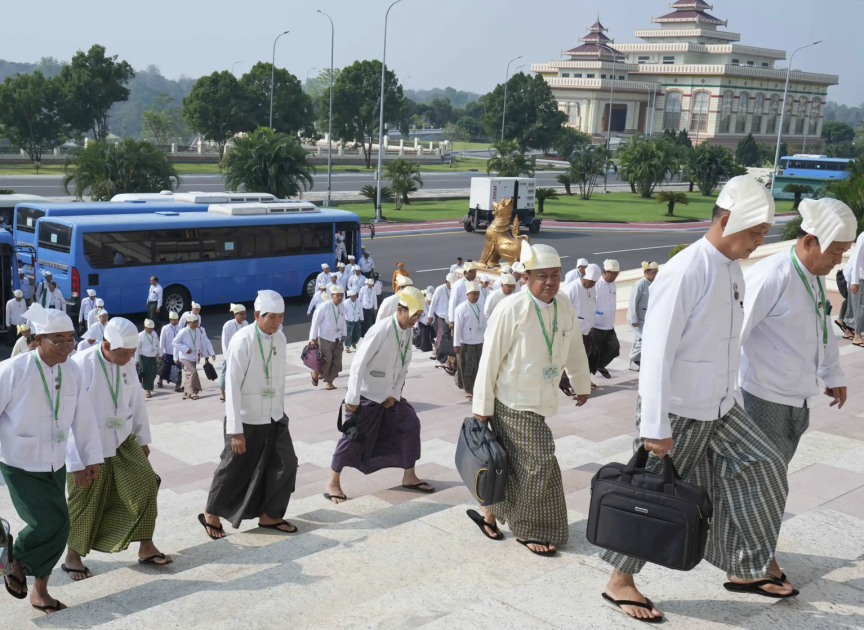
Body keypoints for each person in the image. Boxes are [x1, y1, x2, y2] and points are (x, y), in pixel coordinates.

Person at [599, 175, 789, 623]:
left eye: (764, 234)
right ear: (725, 221)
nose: (759, 242)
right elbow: (657, 351)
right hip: (678, 409)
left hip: (722, 407)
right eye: (755, 233)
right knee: (650, 497)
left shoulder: (732, 268)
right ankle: (619, 581)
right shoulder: (686, 270)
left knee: (765, 465)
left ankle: (744, 564)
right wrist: (655, 428)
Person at [739, 198, 854, 586]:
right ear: (810, 241)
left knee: (768, 481)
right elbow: (733, 335)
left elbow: (822, 326)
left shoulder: (810, 277)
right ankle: (751, 567)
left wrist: (832, 371)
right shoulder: (772, 275)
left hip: (795, 398)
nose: (839, 260)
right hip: (761, 397)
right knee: (765, 484)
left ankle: (752, 551)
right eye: (836, 251)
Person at [471, 242, 590, 557]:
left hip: (544, 397)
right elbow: (490, 359)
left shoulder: (563, 305)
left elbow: (575, 347)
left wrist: (581, 383)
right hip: (511, 400)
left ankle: (489, 513)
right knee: (539, 463)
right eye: (542, 276)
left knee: (510, 464)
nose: (550, 281)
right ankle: (529, 528)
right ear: (525, 277)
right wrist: (482, 408)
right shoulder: (511, 308)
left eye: (555, 275)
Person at [0, 303, 102, 614]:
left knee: (61, 526)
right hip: (20, 462)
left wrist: (89, 459)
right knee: (47, 522)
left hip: (56, 461)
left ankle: (38, 590)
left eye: (71, 339)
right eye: (59, 340)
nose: (68, 347)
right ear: (38, 339)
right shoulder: (12, 370)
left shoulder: (71, 370)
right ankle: (12, 557)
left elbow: (83, 418)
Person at [63, 318, 168, 581]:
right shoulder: (79, 365)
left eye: (133, 353)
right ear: (107, 344)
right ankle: (72, 557)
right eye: (125, 353)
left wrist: (143, 440)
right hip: (89, 446)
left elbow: (136, 402)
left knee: (145, 485)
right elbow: (68, 417)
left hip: (123, 439)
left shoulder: (127, 362)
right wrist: (77, 462)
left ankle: (146, 546)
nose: (130, 358)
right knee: (85, 500)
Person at [200, 290, 298, 539]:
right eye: (271, 317)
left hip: (275, 416)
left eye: (281, 317)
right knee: (234, 467)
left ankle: (270, 516)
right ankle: (211, 512)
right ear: (257, 315)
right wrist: (235, 430)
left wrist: (281, 412)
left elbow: (279, 381)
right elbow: (231, 386)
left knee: (286, 464)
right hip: (246, 419)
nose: (277, 322)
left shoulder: (281, 339)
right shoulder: (242, 340)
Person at [324, 286, 434, 504]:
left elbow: (403, 366)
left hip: (390, 397)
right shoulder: (381, 329)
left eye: (419, 316)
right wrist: (352, 399)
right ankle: (333, 482)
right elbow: (358, 364)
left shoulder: (407, 330)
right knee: (353, 438)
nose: (416, 320)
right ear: (401, 310)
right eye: (414, 315)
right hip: (366, 395)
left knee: (411, 424)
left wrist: (394, 394)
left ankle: (409, 476)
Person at [566, 264, 601, 390]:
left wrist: (591, 326)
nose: (592, 284)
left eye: (595, 282)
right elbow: (564, 311)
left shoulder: (592, 288)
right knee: (573, 360)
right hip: (574, 332)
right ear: (584, 277)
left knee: (584, 358)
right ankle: (571, 384)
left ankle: (584, 381)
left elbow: (591, 308)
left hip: (587, 330)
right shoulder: (572, 288)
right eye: (591, 281)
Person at [309, 285, 347, 390]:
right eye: (337, 295)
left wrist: (344, 333)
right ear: (332, 295)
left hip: (338, 338)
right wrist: (313, 339)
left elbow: (343, 320)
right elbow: (315, 323)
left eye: (341, 295)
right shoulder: (324, 306)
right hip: (325, 338)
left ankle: (329, 382)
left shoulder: (342, 306)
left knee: (336, 361)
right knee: (327, 360)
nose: (339, 298)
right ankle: (315, 371)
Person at [453, 281, 486, 400]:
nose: (476, 296)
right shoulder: (461, 308)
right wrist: (456, 344)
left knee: (477, 366)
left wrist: (485, 340)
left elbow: (484, 324)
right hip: (465, 343)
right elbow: (457, 328)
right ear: (467, 294)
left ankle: (474, 387)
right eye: (474, 294)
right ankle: (468, 389)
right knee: (467, 367)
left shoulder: (481, 307)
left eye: (478, 294)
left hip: (478, 342)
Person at [172, 313, 216, 400]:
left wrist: (206, 354)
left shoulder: (199, 331)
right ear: (189, 323)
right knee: (193, 372)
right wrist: (184, 350)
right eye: (195, 322)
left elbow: (202, 343)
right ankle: (192, 392)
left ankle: (185, 392)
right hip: (184, 357)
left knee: (189, 375)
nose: (197, 323)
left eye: (197, 321)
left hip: (194, 356)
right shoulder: (183, 331)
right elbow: (174, 342)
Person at [627, 262, 658, 371]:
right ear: (646, 272)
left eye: (656, 272)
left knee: (638, 340)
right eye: (653, 272)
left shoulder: (655, 283)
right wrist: (633, 318)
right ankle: (632, 359)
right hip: (637, 318)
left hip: (648, 318)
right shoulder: (640, 284)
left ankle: (635, 362)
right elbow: (632, 302)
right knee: (643, 339)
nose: (655, 274)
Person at [591, 260, 620, 379]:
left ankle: (600, 365)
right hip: (596, 325)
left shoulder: (613, 284)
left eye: (616, 274)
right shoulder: (596, 284)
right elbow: (590, 303)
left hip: (609, 324)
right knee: (592, 354)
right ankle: (585, 381)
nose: (614, 276)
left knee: (615, 348)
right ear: (605, 272)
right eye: (612, 273)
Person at [220, 304, 249, 402]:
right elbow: (224, 342)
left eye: (244, 314)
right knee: (225, 374)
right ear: (235, 315)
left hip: (241, 354)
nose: (243, 316)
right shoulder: (228, 325)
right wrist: (226, 356)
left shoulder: (246, 324)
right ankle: (222, 392)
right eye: (241, 314)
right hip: (230, 354)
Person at [841, 226, 864, 344]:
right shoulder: (863, 236)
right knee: (860, 307)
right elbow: (857, 259)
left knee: (854, 306)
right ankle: (857, 336)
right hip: (860, 277)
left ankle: (849, 331)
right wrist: (854, 281)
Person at [448, 261, 481, 325]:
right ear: (467, 273)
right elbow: (452, 302)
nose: (475, 275)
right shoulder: (458, 285)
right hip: (459, 316)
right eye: (474, 273)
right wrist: (451, 320)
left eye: (475, 273)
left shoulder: (473, 284)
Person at [429, 273, 454, 357]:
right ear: (446, 281)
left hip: (449, 316)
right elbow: (433, 303)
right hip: (440, 314)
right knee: (441, 332)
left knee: (448, 334)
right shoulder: (440, 289)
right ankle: (436, 350)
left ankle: (445, 350)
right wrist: (430, 316)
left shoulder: (454, 289)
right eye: (450, 283)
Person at [135, 319, 160, 398]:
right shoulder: (140, 335)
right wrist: (136, 360)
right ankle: (147, 390)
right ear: (145, 327)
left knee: (153, 372)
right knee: (146, 374)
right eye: (149, 328)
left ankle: (147, 385)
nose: (151, 330)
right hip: (144, 357)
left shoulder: (154, 333)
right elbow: (137, 349)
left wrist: (159, 355)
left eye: (152, 328)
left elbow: (157, 344)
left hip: (153, 357)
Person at [158, 312, 181, 392]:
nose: (175, 322)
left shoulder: (180, 328)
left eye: (176, 320)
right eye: (173, 320)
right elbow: (162, 341)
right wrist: (161, 354)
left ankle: (177, 385)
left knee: (178, 369)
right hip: (167, 352)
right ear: (170, 320)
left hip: (177, 353)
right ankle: (160, 380)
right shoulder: (165, 328)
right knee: (165, 368)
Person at [414, 287, 436, 353]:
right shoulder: (422, 303)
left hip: (430, 322)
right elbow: (420, 314)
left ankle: (430, 346)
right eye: (429, 302)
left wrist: (431, 320)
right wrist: (416, 324)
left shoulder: (432, 303)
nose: (430, 303)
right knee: (424, 335)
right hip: (423, 321)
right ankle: (424, 348)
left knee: (431, 335)